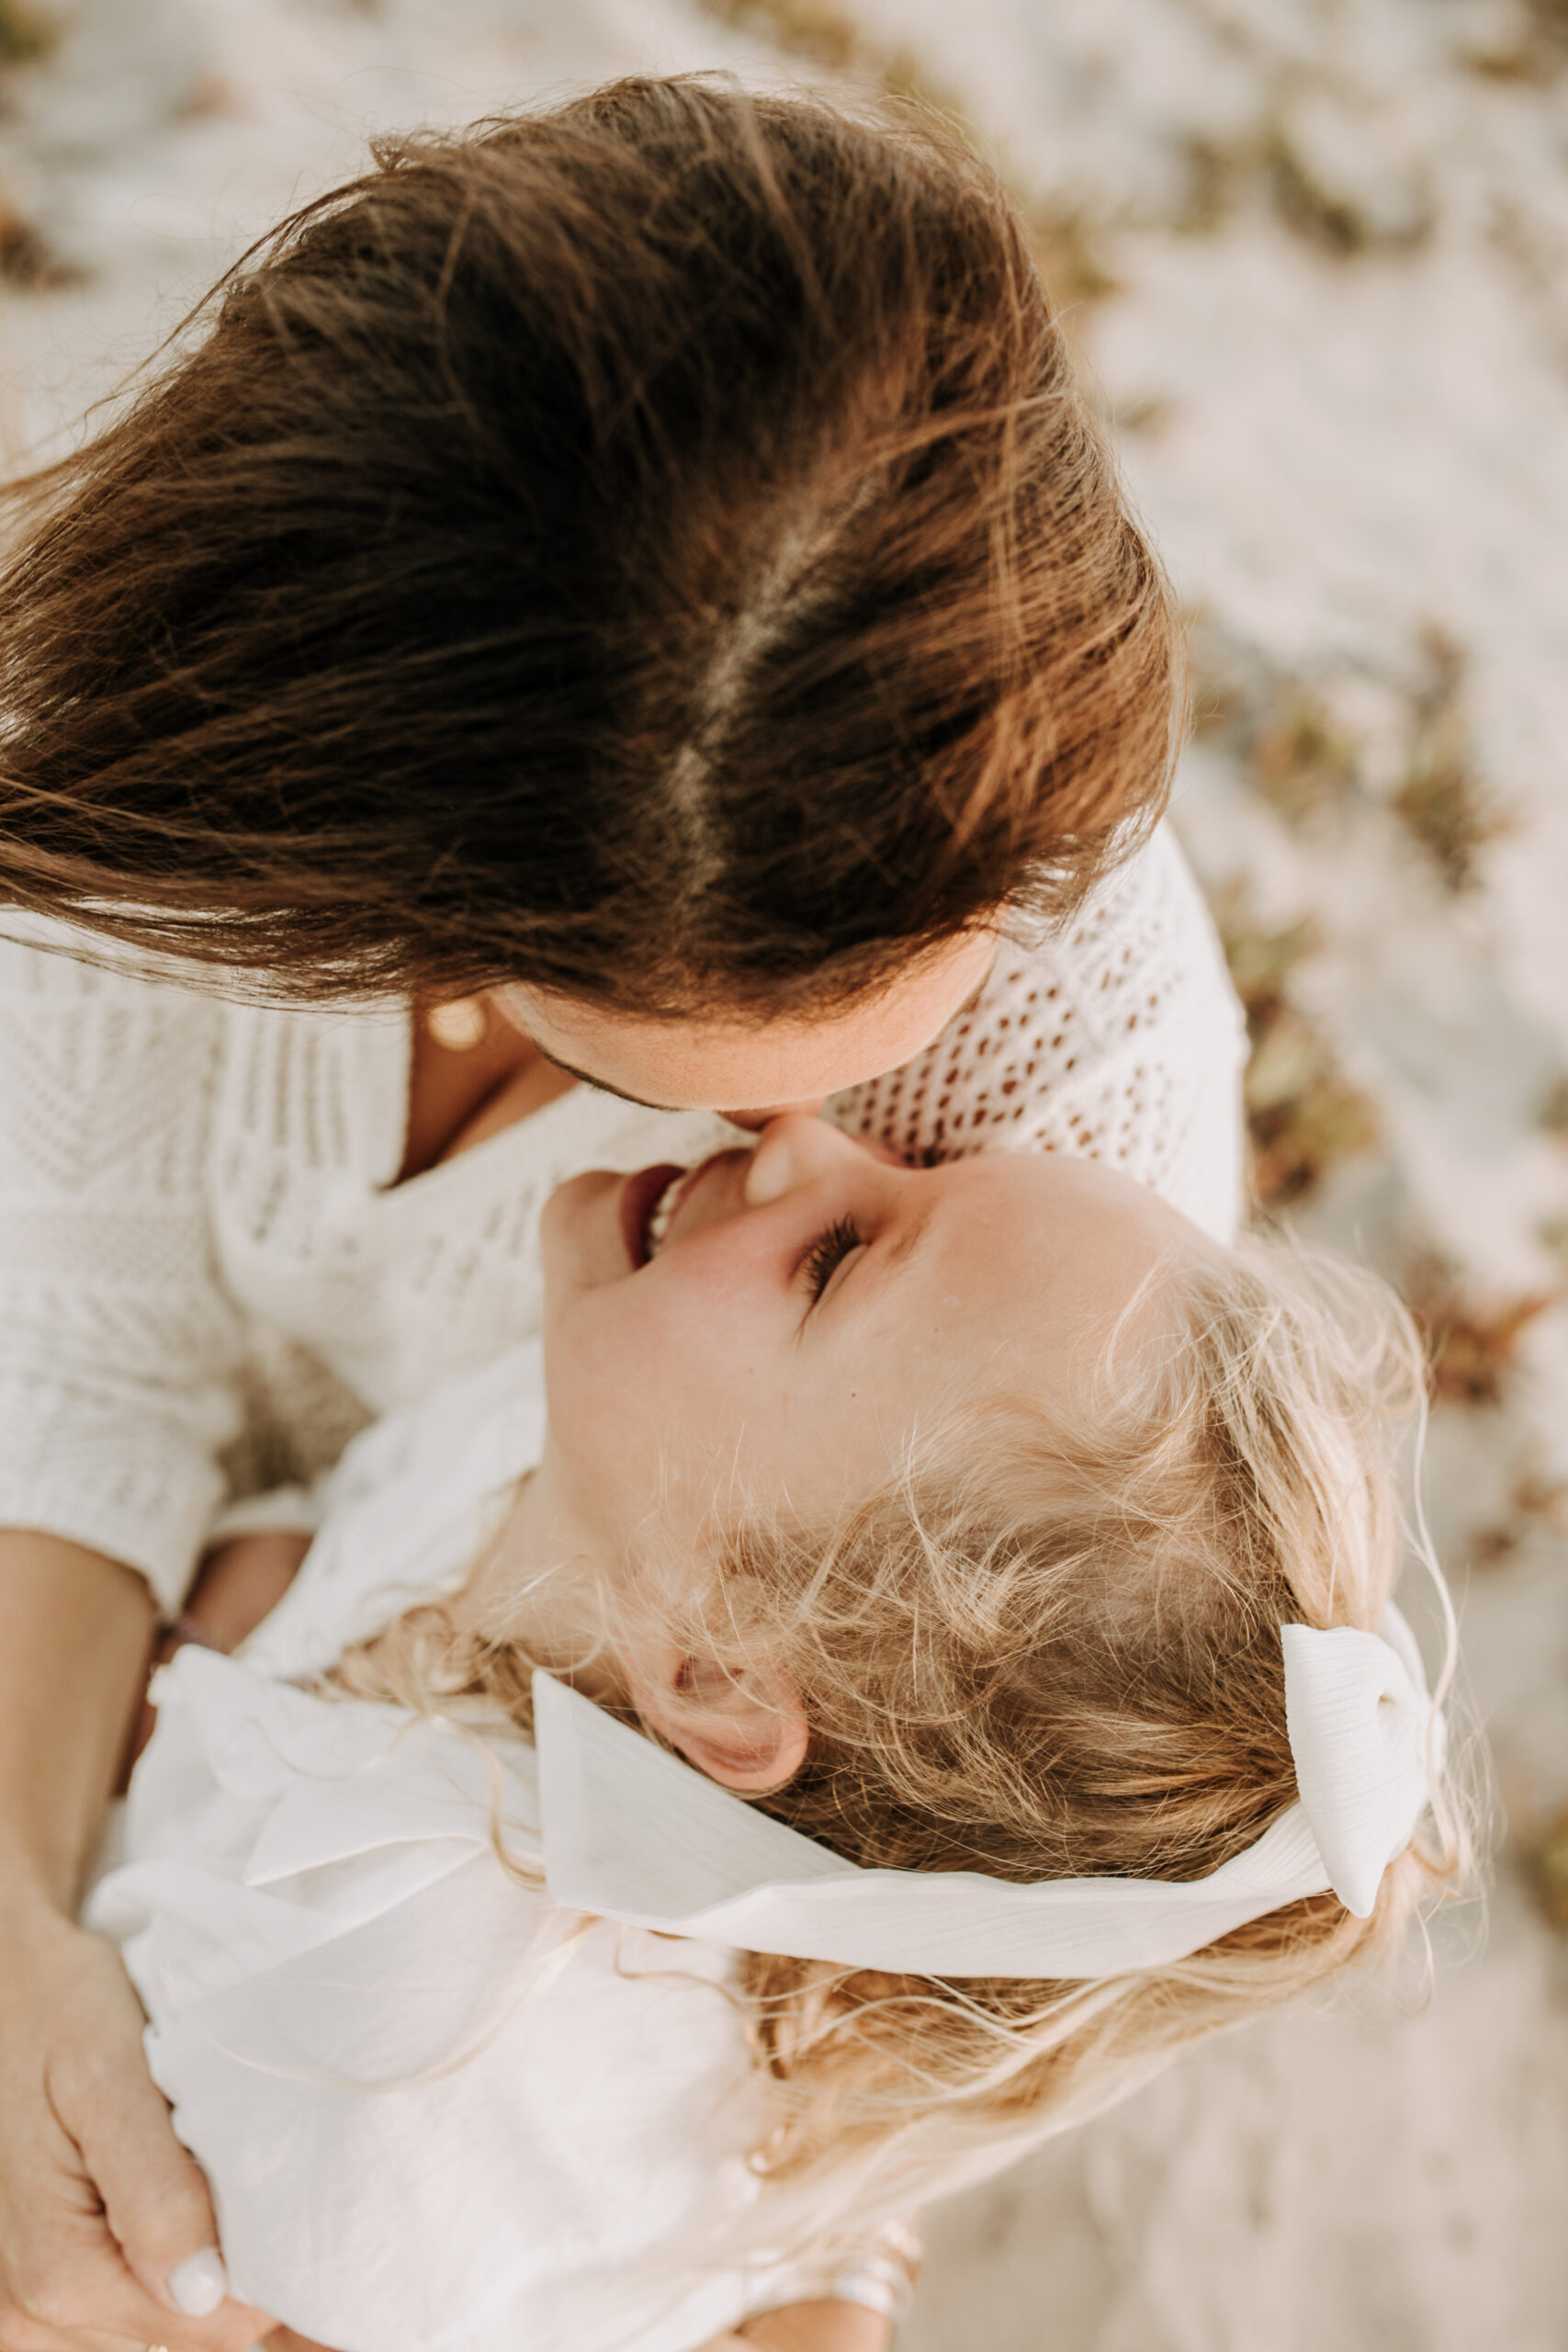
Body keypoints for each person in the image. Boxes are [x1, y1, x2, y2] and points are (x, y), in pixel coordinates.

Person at [0, 76, 1245, 2352]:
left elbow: (927, 1836)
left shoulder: (1063, 1095)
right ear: (410, 912)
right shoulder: (187, 751)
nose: (847, 1133)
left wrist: (787, 2270)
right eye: (731, 1073)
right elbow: (79, 1373)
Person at [88, 1115, 1468, 2352]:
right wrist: (257, 1601)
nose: (813, 1138)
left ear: (718, 1677)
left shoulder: (394, 2031)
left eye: (834, 1260)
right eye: (923, 1167)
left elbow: (152, 2221)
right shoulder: (613, 1474)